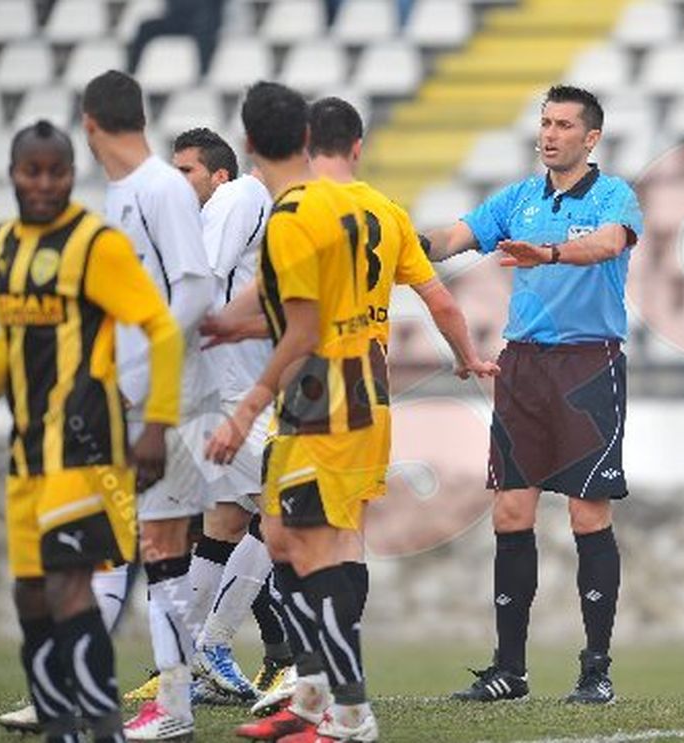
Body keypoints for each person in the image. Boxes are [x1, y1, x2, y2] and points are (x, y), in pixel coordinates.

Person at [201, 92, 497, 736]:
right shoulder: (381, 211)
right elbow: (439, 303)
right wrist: (468, 357)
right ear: (357, 147)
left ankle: (341, 704)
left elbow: (297, 316)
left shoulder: (300, 208)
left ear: (305, 142)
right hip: (357, 392)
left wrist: (239, 366)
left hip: (325, 391)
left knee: (311, 545)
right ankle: (315, 693)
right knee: (288, 536)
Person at [0, 119, 183, 743]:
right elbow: (9, 346)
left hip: (85, 447)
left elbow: (161, 329)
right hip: (29, 455)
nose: (45, 183)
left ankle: (101, 729)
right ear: (13, 173)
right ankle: (60, 726)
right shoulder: (4, 244)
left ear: (70, 173)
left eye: (57, 171)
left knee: (69, 585)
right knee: (31, 598)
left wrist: (157, 427)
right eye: (33, 171)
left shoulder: (95, 245)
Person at [422, 84, 643, 704]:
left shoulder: (614, 196)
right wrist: (396, 242)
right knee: (511, 513)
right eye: (544, 123)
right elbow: (452, 237)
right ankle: (509, 671)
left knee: (586, 513)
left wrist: (546, 252)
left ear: (590, 137)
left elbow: (608, 244)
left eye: (563, 125)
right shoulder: (519, 197)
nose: (549, 134)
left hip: (587, 366)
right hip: (521, 365)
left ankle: (595, 670)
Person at [81, 69, 216, 740]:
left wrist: (141, 369)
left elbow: (195, 290)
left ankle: (176, 704)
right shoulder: (123, 192)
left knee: (163, 543)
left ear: (89, 124)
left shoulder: (160, 188)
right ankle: (166, 700)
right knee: (153, 545)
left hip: (168, 397)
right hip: (137, 392)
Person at [171, 126, 288, 706]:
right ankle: (211, 645)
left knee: (224, 524)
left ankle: (188, 662)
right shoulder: (243, 198)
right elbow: (202, 281)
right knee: (284, 507)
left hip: (240, 387)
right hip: (228, 390)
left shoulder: (265, 204)